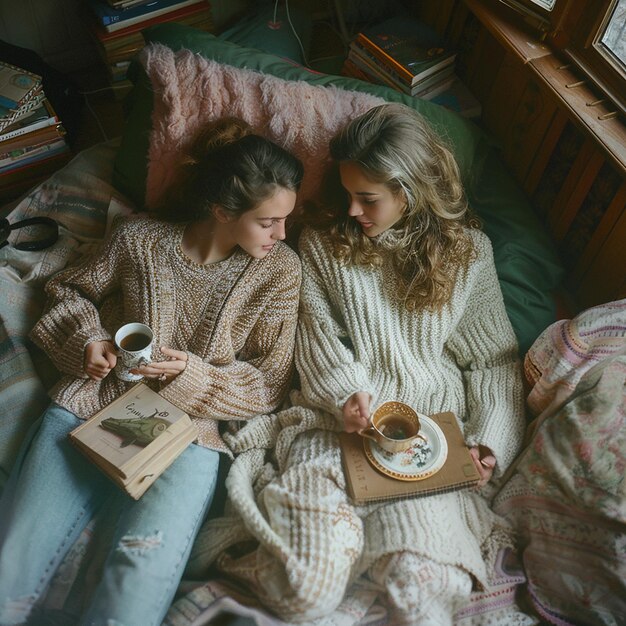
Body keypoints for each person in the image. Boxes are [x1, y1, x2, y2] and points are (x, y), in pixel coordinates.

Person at [200, 103, 526, 624]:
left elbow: (494, 360)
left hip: (424, 444)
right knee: (305, 591)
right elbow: (314, 335)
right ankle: (246, 555)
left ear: (411, 190)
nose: (352, 209)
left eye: (367, 198)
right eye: (348, 193)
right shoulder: (322, 244)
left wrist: (489, 441)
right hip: (332, 428)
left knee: (424, 587)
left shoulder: (469, 255)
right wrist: (345, 393)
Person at [0, 117, 304, 626]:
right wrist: (87, 341)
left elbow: (270, 379)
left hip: (188, 437)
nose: (281, 233)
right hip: (86, 407)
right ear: (221, 210)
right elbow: (68, 290)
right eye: (268, 221)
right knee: (12, 560)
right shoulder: (139, 238)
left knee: (138, 579)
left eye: (285, 220)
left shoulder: (280, 270)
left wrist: (194, 378)